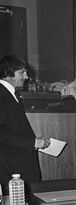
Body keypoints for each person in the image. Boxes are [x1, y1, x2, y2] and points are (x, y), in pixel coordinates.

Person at [0, 54, 50, 189]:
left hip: (16, 167)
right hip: (10, 169)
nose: (26, 77)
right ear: (7, 73)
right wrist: (32, 142)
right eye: (21, 72)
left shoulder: (10, 93)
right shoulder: (2, 94)